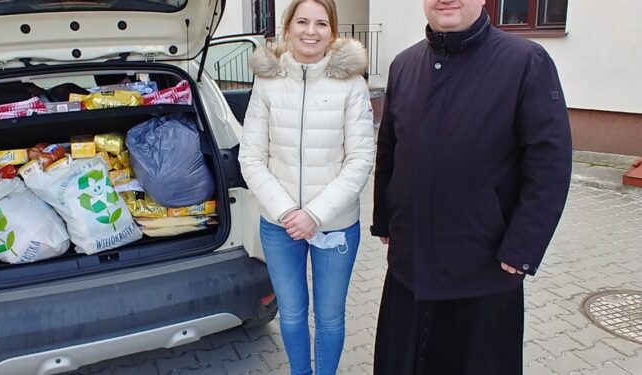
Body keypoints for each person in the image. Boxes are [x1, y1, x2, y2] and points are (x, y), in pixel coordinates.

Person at [370, 1, 572, 374]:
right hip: (409, 266)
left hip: (484, 269)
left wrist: (524, 246)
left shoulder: (525, 62)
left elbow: (550, 163)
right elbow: (390, 149)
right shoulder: (404, 64)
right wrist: (385, 218)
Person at [238, 0, 375, 373]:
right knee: (293, 315)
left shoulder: (352, 85)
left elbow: (360, 159)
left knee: (329, 317)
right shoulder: (267, 82)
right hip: (279, 224)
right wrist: (286, 212)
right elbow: (251, 156)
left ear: (332, 31)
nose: (310, 31)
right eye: (302, 22)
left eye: (320, 23)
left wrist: (314, 214)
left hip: (335, 223)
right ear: (288, 26)